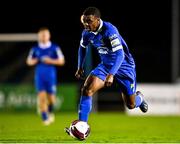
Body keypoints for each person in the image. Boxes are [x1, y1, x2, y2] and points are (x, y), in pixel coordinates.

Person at [65, 6, 148, 135]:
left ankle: (140, 99)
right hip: (105, 66)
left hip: (124, 67)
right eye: (84, 21)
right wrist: (79, 66)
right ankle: (82, 125)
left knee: (130, 105)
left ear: (97, 20)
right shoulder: (87, 32)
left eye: (89, 21)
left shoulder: (110, 30)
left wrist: (111, 74)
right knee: (87, 88)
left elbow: (120, 55)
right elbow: (82, 47)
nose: (86, 24)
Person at [26, 27, 65, 125]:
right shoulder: (35, 49)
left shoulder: (54, 47)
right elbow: (29, 61)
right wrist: (36, 60)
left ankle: (50, 111)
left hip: (51, 75)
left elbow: (62, 61)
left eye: (45, 35)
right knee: (42, 97)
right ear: (39, 36)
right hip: (39, 76)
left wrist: (50, 60)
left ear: (49, 36)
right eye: (41, 35)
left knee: (51, 99)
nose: (43, 37)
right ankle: (44, 118)